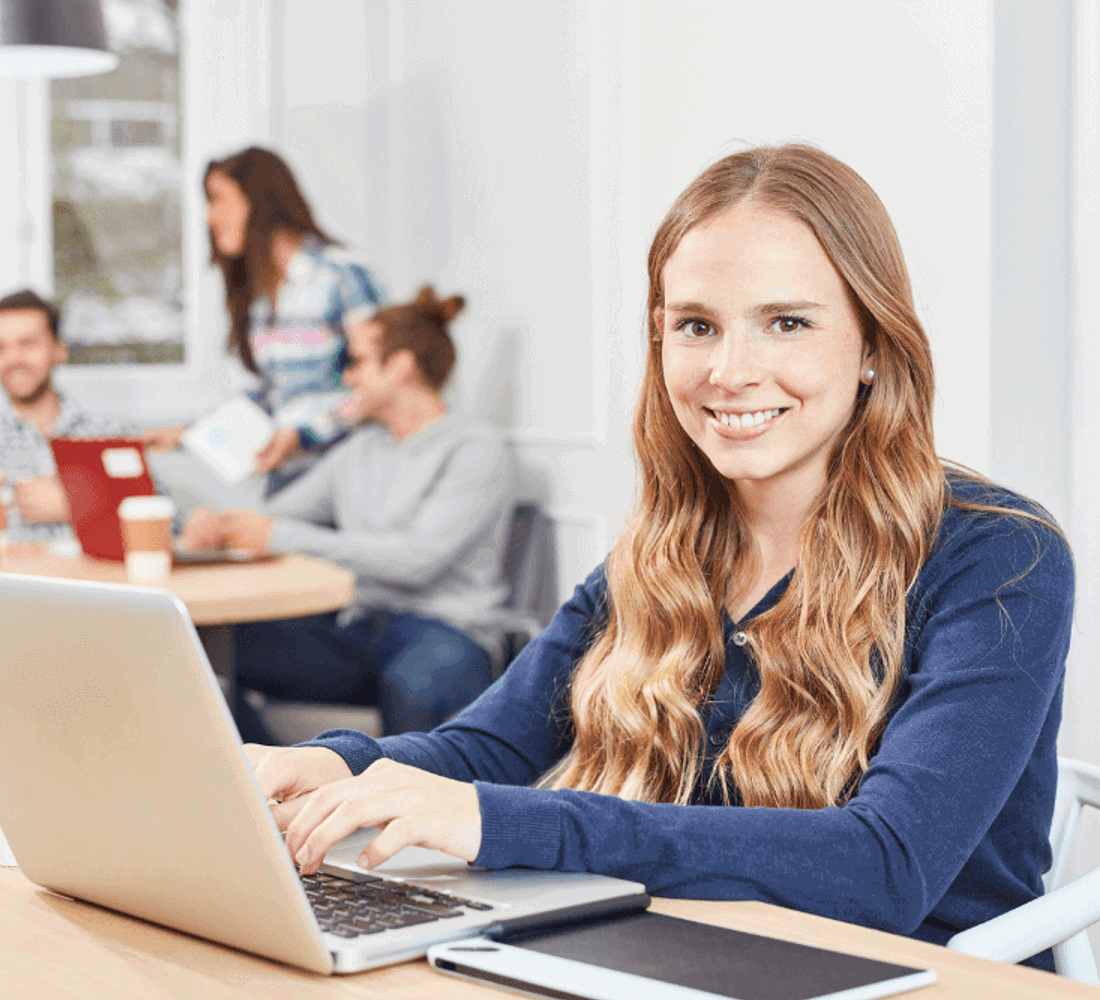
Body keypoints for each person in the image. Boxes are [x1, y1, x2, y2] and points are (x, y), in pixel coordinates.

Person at [244, 145, 1074, 969]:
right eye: (696, 326)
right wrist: (337, 763)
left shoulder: (1000, 556)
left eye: (787, 323)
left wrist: (505, 822)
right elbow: (485, 748)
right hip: (697, 960)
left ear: (872, 345)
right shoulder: (657, 554)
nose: (729, 371)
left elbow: (885, 866)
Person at [183, 287, 515, 741]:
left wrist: (276, 535)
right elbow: (274, 515)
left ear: (400, 366)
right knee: (200, 649)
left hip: (447, 629)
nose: (347, 377)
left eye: (357, 362)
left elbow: (417, 561)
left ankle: (397, 790)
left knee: (418, 686)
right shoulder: (360, 449)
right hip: (357, 627)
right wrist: (223, 525)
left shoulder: (474, 448)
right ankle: (270, 781)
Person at [143, 147, 385, 495]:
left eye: (218, 199)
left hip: (347, 474)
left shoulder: (341, 275)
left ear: (259, 201)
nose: (210, 217)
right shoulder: (262, 297)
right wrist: (190, 433)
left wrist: (305, 434)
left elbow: (382, 385)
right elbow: (272, 396)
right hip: (288, 477)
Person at [0, 289, 132, 547]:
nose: (13, 359)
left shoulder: (114, 435)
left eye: (27, 344)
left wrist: (78, 506)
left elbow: (168, 530)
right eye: (0, 347)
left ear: (59, 350)